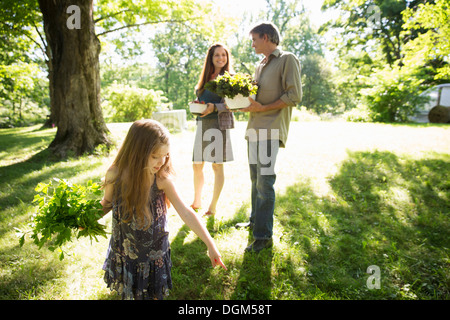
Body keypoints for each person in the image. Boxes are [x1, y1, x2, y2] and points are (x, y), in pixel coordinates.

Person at [100, 119, 226, 300]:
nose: (162, 161)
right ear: (136, 152)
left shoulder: (161, 180)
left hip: (154, 256)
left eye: (166, 155)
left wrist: (210, 245)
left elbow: (186, 212)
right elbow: (107, 203)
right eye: (155, 156)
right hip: (126, 253)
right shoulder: (115, 174)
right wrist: (84, 219)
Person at [237, 22, 302, 253]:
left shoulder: (287, 59)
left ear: (266, 37)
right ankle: (255, 221)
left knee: (265, 183)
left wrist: (262, 109)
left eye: (254, 39)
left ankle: (263, 237)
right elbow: (256, 100)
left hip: (270, 129)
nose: (252, 45)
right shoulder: (260, 65)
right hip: (253, 129)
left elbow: (294, 95)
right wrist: (241, 101)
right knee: (255, 180)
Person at [191, 43, 235, 217]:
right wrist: (197, 105)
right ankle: (196, 201)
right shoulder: (205, 78)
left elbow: (233, 105)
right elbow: (202, 99)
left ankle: (212, 207)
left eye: (223, 55)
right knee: (196, 165)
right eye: (217, 55)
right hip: (202, 125)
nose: (220, 58)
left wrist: (214, 107)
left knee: (217, 166)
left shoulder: (230, 78)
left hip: (218, 125)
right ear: (210, 58)